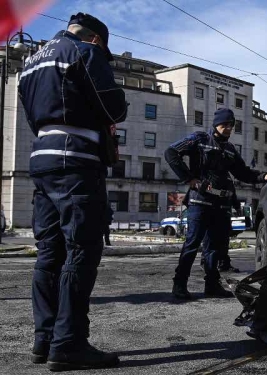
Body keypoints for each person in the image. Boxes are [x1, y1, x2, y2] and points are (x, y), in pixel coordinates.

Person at [18, 13, 127, 371]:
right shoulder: (83, 51)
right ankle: (69, 343)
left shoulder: (31, 60)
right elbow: (114, 106)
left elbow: (34, 116)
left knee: (49, 252)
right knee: (82, 249)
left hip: (42, 157)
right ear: (96, 39)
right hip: (76, 159)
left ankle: (44, 339)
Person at [165, 108, 267, 300]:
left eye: (231, 125)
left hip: (221, 205)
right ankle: (179, 284)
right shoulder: (199, 139)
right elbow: (171, 152)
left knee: (215, 248)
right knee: (192, 244)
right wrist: (189, 178)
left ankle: (212, 285)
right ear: (215, 124)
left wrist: (262, 176)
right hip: (199, 202)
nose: (227, 128)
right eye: (224, 124)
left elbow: (243, 172)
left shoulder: (230, 149)